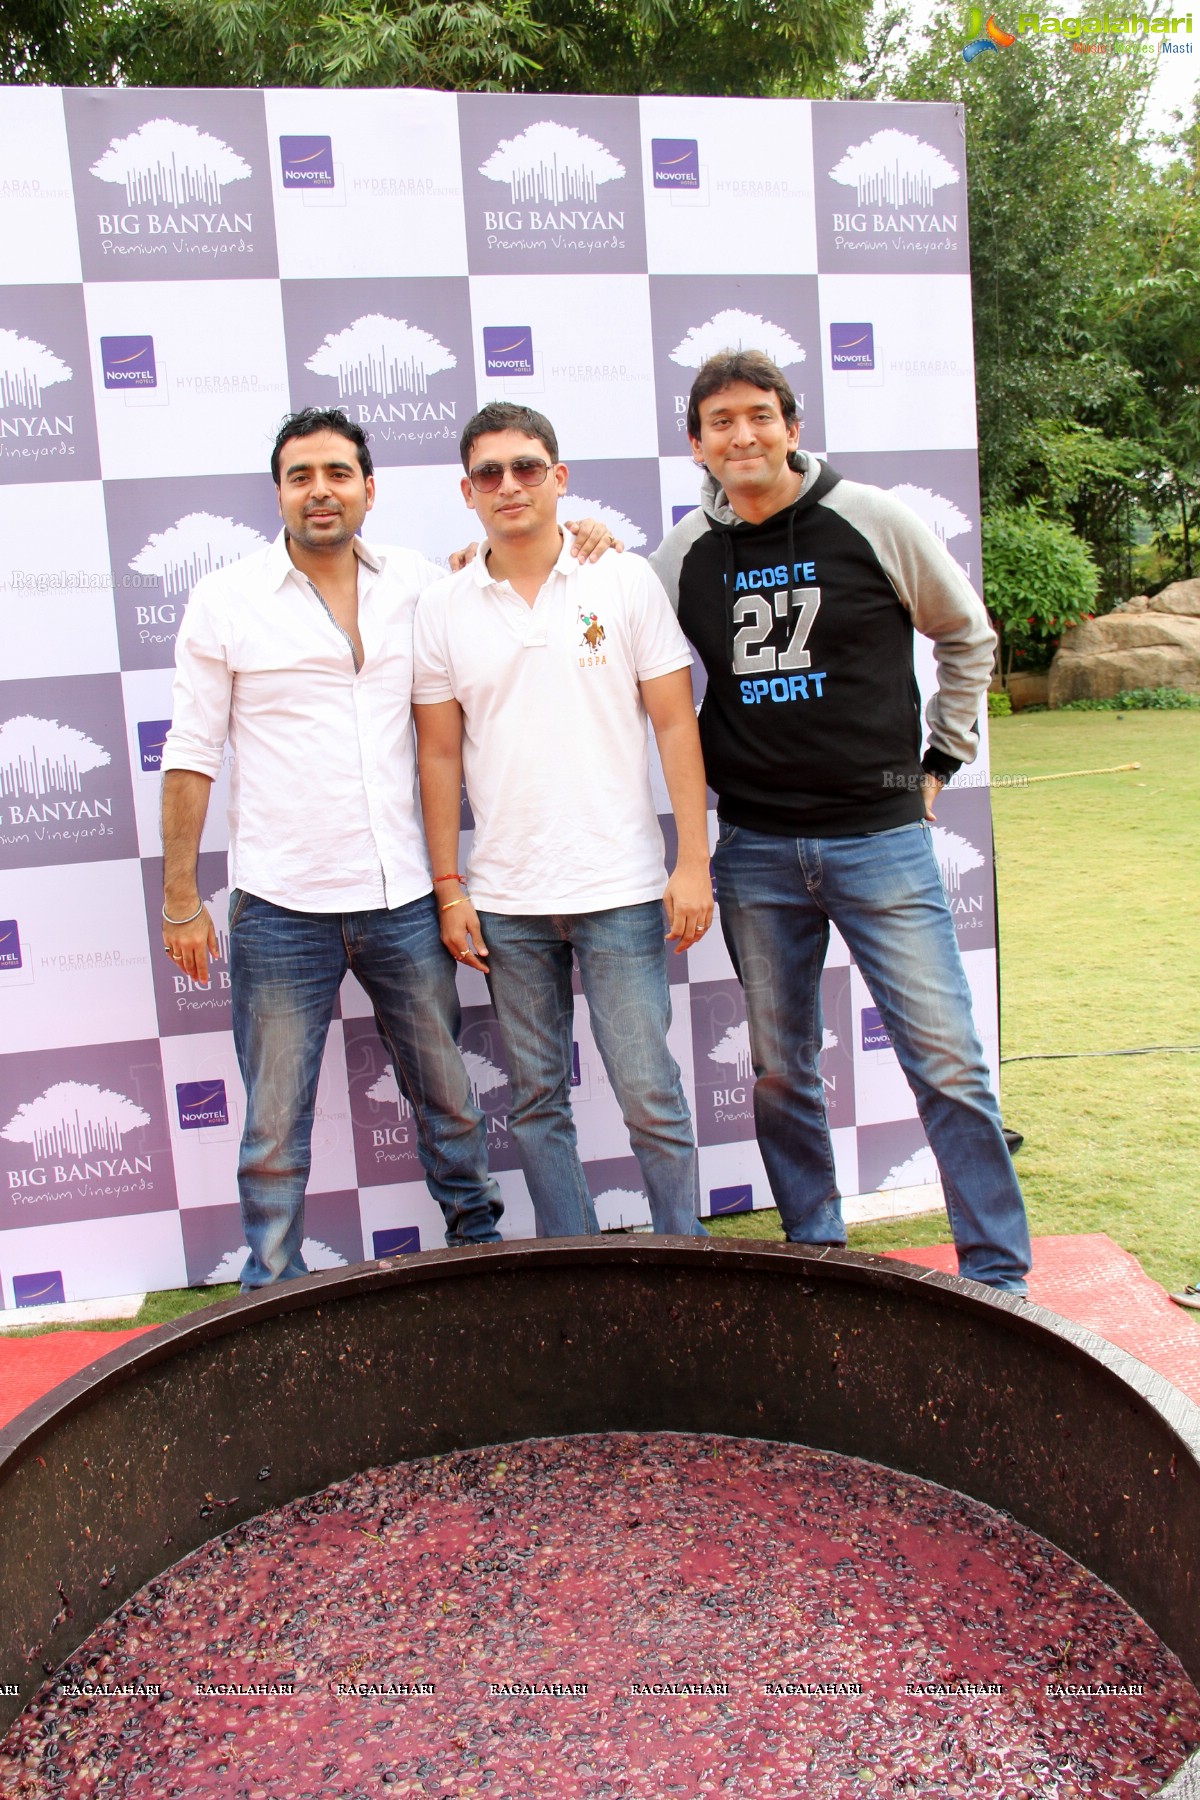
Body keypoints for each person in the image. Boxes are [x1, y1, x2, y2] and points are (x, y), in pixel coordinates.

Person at [650, 351, 1032, 1294]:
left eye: (759, 416)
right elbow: (606, 632)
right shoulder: (680, 557)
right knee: (781, 1073)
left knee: (948, 1066)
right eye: (721, 421)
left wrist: (942, 757)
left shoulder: (872, 517)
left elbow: (966, 633)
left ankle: (999, 1275)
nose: (743, 435)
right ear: (695, 443)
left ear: (789, 425)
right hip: (755, 853)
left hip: (883, 842)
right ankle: (816, 1252)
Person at [157, 406, 524, 1289]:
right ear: (279, 491)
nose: (319, 491)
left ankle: (480, 1257)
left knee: (449, 1096)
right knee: (276, 1123)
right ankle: (267, 1292)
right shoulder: (227, 598)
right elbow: (191, 753)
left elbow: (510, 570)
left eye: (336, 473)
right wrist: (180, 898)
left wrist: (579, 534)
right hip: (281, 904)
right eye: (300, 476)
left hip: (404, 896)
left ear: (369, 486)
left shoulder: (420, 584)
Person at [412, 403, 713, 1239]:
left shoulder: (620, 579)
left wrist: (693, 862)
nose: (510, 485)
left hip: (619, 887)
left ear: (559, 477)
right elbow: (437, 756)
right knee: (538, 1103)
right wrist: (449, 886)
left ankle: (684, 1257)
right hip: (507, 902)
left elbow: (675, 722)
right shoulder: (442, 604)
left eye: (527, 467)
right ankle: (575, 1268)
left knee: (649, 1090)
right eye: (490, 473)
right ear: (467, 491)